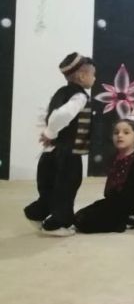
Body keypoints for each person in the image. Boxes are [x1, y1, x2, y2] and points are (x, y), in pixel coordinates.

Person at [23, 53, 96, 236]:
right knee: (67, 187)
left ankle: (37, 213)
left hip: (50, 151)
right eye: (93, 74)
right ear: (82, 76)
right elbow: (60, 116)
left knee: (49, 187)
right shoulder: (79, 97)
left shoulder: (61, 92)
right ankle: (57, 224)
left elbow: (50, 114)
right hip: (67, 154)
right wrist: (50, 132)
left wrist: (50, 134)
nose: (94, 78)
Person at [74, 119, 134, 233]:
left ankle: (122, 221)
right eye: (116, 133)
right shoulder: (115, 157)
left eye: (126, 132)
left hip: (125, 205)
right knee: (79, 216)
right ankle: (127, 219)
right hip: (110, 202)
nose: (120, 135)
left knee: (86, 223)